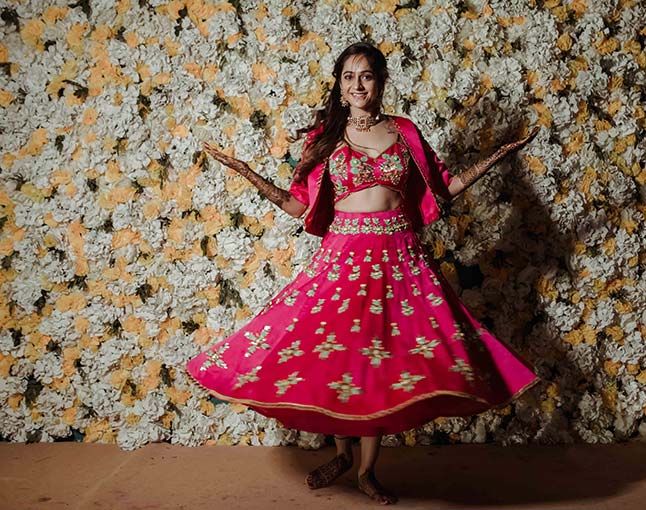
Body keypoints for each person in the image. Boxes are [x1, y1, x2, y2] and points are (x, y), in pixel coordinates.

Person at [185, 42, 540, 505]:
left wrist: (495, 158)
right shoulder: (325, 139)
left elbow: (444, 188)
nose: (357, 85)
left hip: (398, 255)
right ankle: (341, 453)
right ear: (339, 84)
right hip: (343, 257)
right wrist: (247, 172)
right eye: (349, 76)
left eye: (366, 76)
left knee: (382, 361)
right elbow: (299, 206)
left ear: (381, 82)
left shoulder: (405, 133)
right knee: (336, 356)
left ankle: (367, 471)